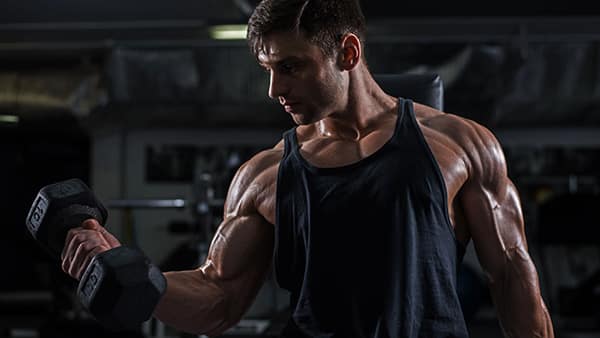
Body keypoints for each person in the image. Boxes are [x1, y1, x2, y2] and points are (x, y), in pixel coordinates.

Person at [60, 0, 555, 337]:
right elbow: (219, 295)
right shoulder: (265, 175)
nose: (274, 89)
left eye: (291, 66)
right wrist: (131, 269)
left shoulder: (458, 144)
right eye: (268, 70)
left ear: (348, 51)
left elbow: (512, 275)